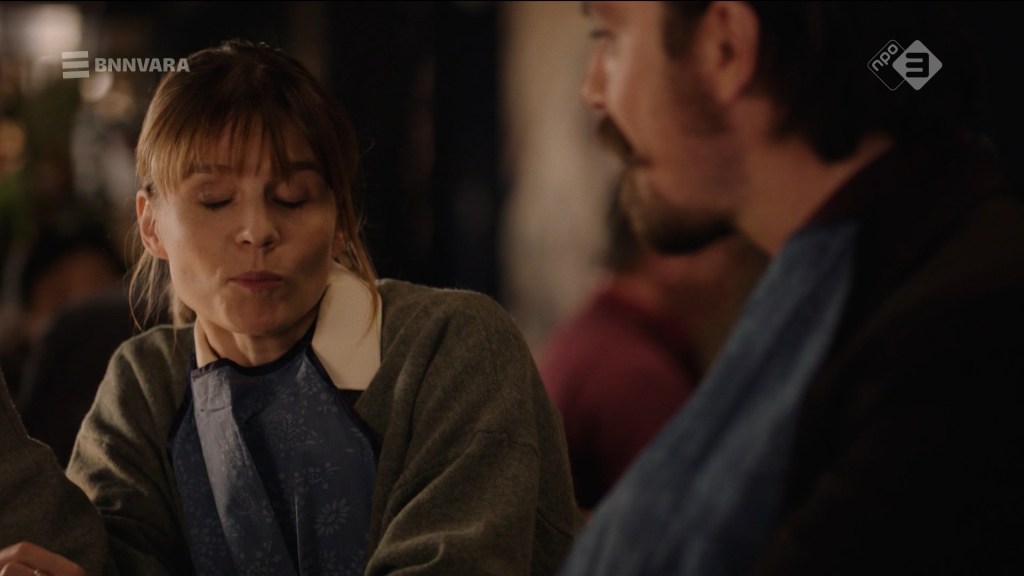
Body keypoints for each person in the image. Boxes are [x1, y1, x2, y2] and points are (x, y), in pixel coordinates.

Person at [0, 39, 579, 576]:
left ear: (340, 221)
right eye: (215, 200)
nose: (257, 230)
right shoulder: (146, 385)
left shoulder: (449, 348)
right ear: (151, 226)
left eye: (292, 198)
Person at [560, 2, 1024, 575]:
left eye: (608, 35)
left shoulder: (959, 330)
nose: (593, 90)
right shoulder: (911, 268)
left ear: (726, 47)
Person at [540, 180, 765, 511]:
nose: (736, 266)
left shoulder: (597, 336)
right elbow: (680, 520)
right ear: (664, 247)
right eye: (724, 242)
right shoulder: (635, 375)